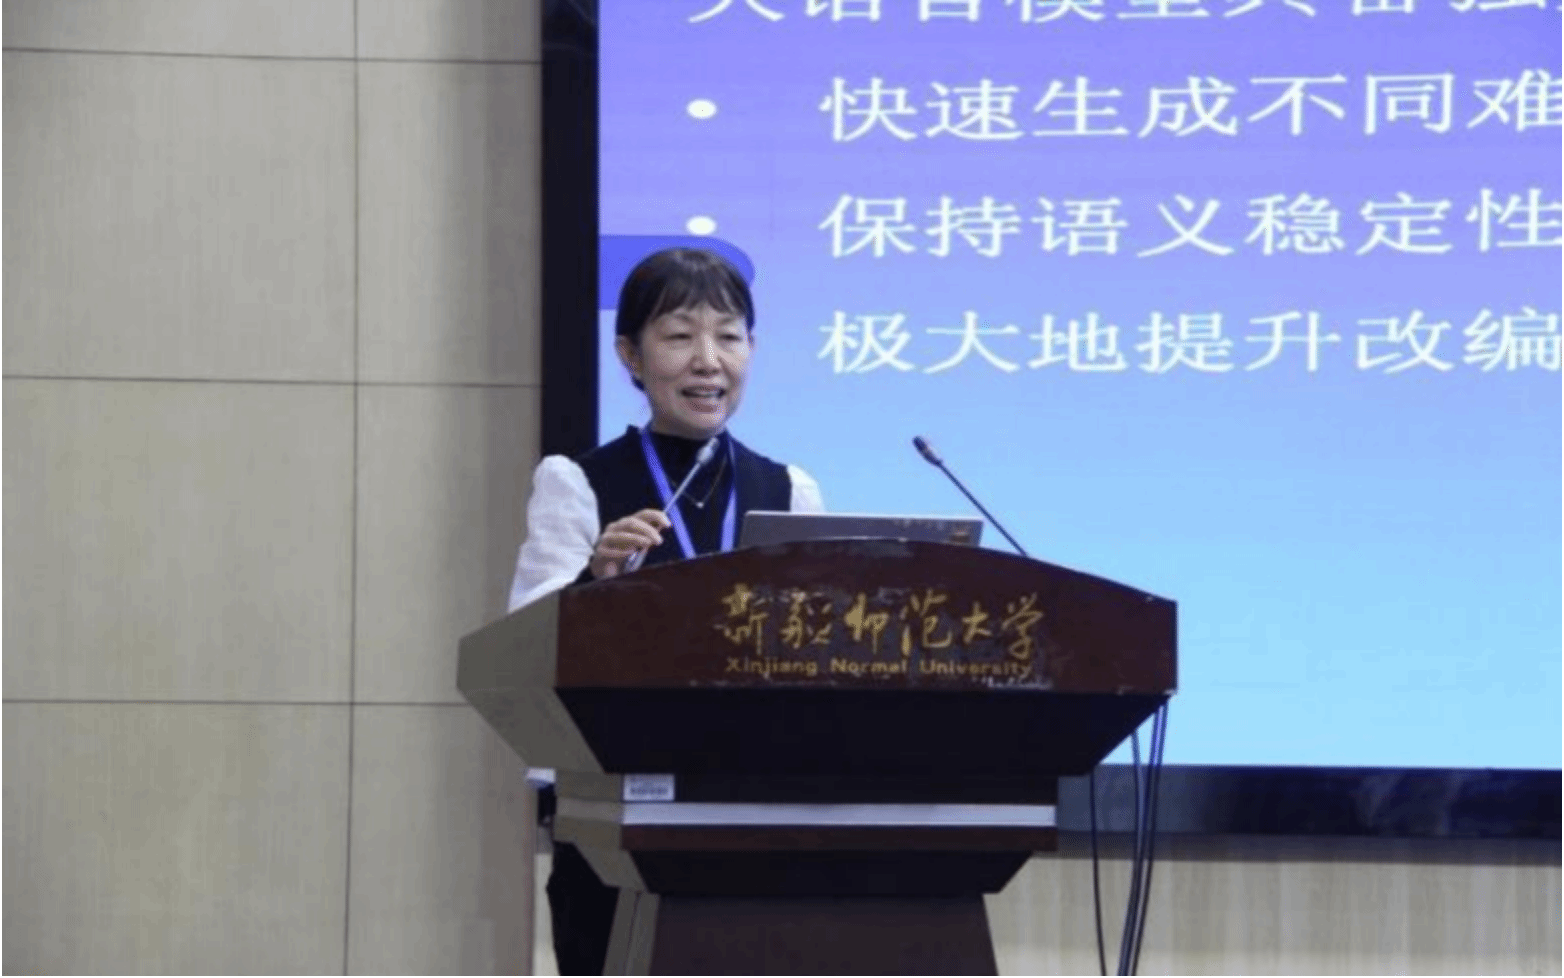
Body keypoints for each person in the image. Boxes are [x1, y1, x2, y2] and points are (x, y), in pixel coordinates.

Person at [506, 247, 823, 975]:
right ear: (631, 355)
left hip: (754, 811)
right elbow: (523, 645)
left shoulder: (789, 488)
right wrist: (595, 581)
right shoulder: (578, 481)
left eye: (729, 336)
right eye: (680, 337)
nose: (709, 360)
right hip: (616, 815)